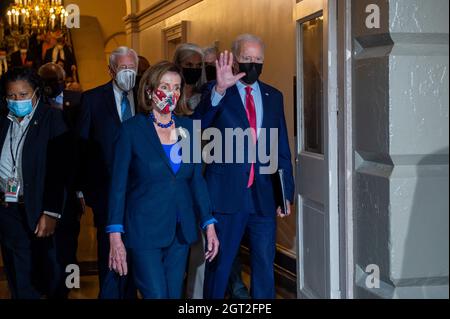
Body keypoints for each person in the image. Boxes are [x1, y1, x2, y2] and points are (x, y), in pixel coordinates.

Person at [194, 34, 295, 299]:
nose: (253, 64)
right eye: (247, 59)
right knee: (220, 264)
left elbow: (280, 145)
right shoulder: (216, 92)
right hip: (226, 194)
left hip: (262, 195)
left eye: (258, 60)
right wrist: (219, 90)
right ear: (235, 60)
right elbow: (197, 127)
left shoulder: (274, 95)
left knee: (263, 264)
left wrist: (285, 191)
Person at [107, 61, 219, 299]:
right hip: (144, 231)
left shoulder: (188, 128)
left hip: (180, 231)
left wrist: (209, 224)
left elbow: (196, 181)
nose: (172, 93)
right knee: (156, 295)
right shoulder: (131, 131)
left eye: (177, 88)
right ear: (149, 90)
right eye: (165, 86)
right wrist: (115, 236)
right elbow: (118, 187)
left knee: (172, 295)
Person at [77, 46, 138, 299]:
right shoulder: (92, 99)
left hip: (140, 192)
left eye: (132, 68)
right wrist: (81, 188)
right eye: (123, 68)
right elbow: (82, 146)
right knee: (110, 251)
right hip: (106, 191)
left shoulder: (145, 99)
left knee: (135, 251)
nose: (128, 73)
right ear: (111, 70)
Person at [0, 67, 67, 299]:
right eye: (11, 96)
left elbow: (60, 171)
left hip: (38, 208)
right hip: (8, 206)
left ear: (37, 92)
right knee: (16, 271)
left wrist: (51, 212)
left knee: (44, 273)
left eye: (23, 94)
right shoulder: (3, 121)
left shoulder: (53, 119)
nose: (17, 100)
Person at [38, 62, 84, 298]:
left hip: (69, 187)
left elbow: (83, 148)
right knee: (45, 247)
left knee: (67, 244)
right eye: (45, 81)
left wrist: (80, 190)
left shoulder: (77, 102)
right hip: (42, 187)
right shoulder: (34, 106)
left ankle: (65, 288)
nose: (50, 86)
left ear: (63, 80)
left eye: (55, 80)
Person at [173, 43, 206, 111]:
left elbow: (198, 121)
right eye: (189, 65)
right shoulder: (168, 95)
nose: (194, 69)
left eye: (198, 65)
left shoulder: (204, 96)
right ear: (178, 65)